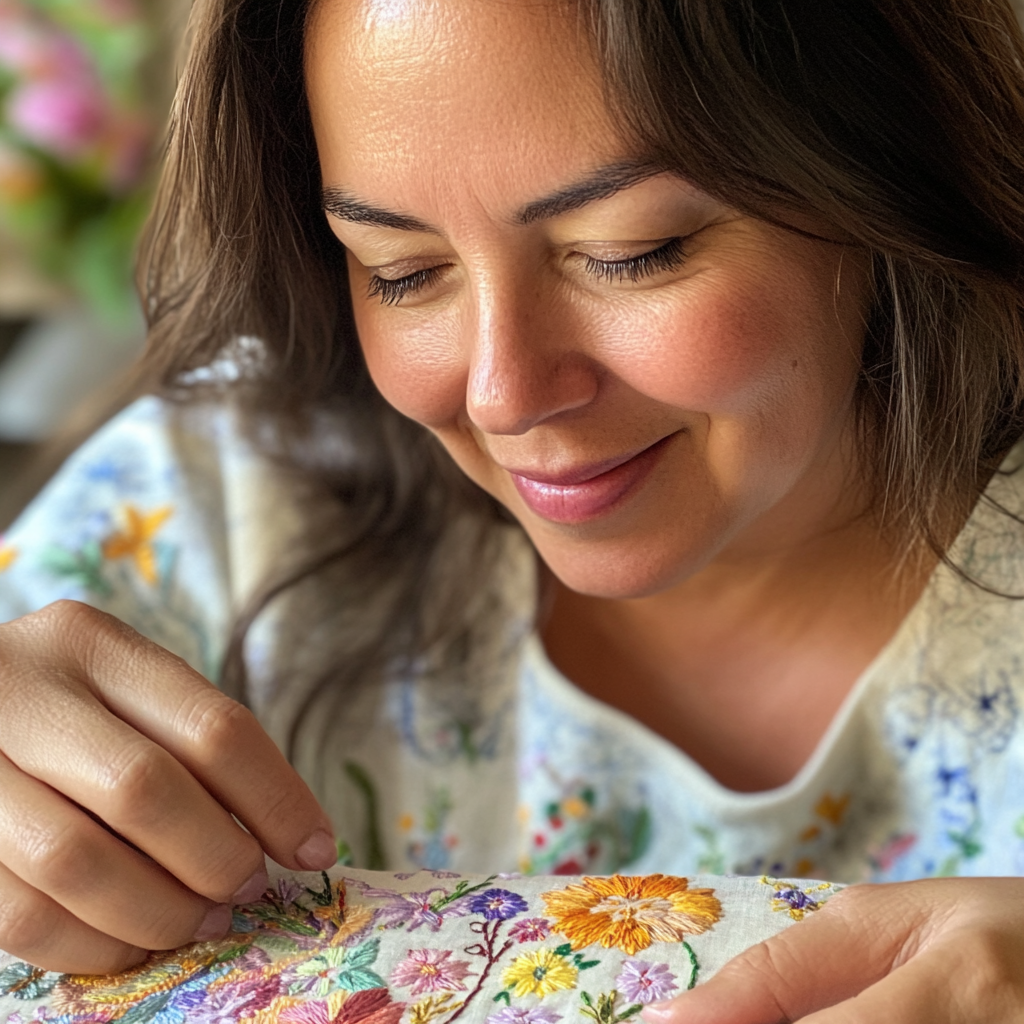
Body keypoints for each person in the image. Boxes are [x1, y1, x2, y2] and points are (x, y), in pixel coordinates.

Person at [1, 0, 1023, 1018]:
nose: (502, 393)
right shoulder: (224, 494)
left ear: (880, 171)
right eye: (402, 272)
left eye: (631, 250)